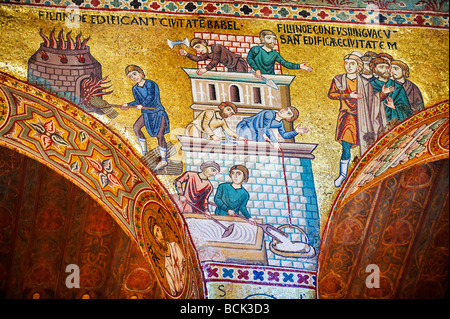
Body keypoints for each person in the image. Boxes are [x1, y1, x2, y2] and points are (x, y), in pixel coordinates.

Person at [328, 51, 387, 187]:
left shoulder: (366, 84)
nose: (349, 66)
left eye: (352, 64)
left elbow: (373, 102)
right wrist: (349, 95)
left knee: (366, 145)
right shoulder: (338, 80)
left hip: (363, 118)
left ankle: (366, 173)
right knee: (346, 147)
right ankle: (343, 174)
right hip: (347, 116)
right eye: (347, 63)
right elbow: (332, 94)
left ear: (358, 66)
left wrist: (383, 94)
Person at [121, 65, 170, 171]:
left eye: (134, 74)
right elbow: (136, 101)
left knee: (160, 135)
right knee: (136, 127)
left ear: (141, 73)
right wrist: (128, 105)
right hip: (147, 113)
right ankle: (144, 152)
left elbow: (151, 97)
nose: (133, 77)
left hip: (157, 112)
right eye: (130, 76)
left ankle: (164, 159)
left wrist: (142, 105)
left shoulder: (150, 84)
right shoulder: (135, 88)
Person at [247, 30, 312, 79]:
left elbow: (285, 63)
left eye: (274, 38)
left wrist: (299, 66)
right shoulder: (256, 49)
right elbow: (249, 59)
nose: (272, 41)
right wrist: (257, 69)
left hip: (270, 78)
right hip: (257, 77)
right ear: (262, 39)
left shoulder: (275, 54)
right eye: (269, 38)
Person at [236, 106, 308, 150]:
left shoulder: (280, 123)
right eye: (286, 108)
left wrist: (296, 131)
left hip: (257, 131)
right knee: (251, 146)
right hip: (246, 127)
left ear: (288, 119)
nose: (284, 111)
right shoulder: (269, 113)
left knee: (261, 147)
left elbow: (284, 135)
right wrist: (274, 141)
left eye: (288, 113)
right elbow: (266, 128)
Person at [147, 216, 186, 296]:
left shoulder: (175, 246)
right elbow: (174, 292)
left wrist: (184, 277)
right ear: (155, 240)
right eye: (156, 235)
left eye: (158, 230)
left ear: (161, 229)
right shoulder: (166, 266)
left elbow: (185, 264)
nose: (159, 236)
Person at [370, 57, 413, 123]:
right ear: (376, 69)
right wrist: (382, 94)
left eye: (387, 67)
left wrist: (394, 107)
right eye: (381, 67)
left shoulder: (397, 87)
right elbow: (365, 107)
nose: (385, 70)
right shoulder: (370, 86)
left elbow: (407, 111)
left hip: (394, 124)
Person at [179, 37, 248, 74]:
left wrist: (206, 69)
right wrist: (187, 54)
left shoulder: (216, 47)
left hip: (238, 63)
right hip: (230, 67)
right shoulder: (208, 54)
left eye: (198, 47)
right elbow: (198, 58)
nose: (198, 50)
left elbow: (215, 60)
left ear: (204, 43)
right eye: (196, 49)